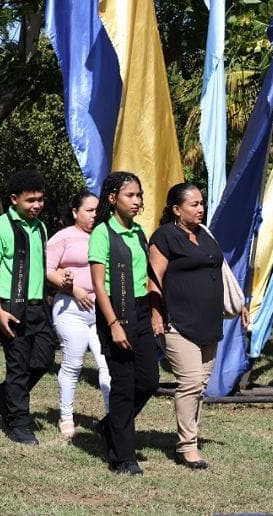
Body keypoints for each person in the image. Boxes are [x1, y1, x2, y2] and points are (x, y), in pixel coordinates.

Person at [148, 183, 250, 469]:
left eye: (202, 203)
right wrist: (156, 315)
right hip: (178, 322)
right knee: (190, 383)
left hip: (209, 322)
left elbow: (220, 272)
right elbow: (153, 280)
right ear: (176, 209)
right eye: (194, 204)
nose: (201, 208)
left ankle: (189, 436)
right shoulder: (164, 237)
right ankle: (187, 446)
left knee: (199, 385)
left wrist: (239, 303)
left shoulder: (204, 234)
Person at [89, 171, 159, 476]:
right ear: (113, 198)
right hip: (115, 314)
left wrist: (156, 311)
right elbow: (98, 286)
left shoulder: (139, 233)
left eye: (139, 195)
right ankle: (123, 457)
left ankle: (110, 426)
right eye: (130, 195)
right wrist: (114, 324)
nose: (137, 201)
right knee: (123, 385)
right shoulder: (102, 233)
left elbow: (145, 277)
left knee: (148, 380)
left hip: (141, 312)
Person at [0, 169, 53, 445]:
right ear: (14, 199)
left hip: (38, 307)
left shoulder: (41, 227)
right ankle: (19, 423)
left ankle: (5, 395)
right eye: (30, 200)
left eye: (40, 199)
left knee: (44, 360)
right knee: (18, 366)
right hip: (11, 307)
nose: (36, 205)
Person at [46, 190, 110, 439]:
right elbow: (47, 268)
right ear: (75, 212)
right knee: (73, 364)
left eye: (97, 210)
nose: (95, 215)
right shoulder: (64, 237)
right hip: (71, 310)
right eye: (89, 210)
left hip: (102, 310)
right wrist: (72, 287)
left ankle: (111, 417)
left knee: (107, 366)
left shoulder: (104, 236)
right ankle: (66, 416)